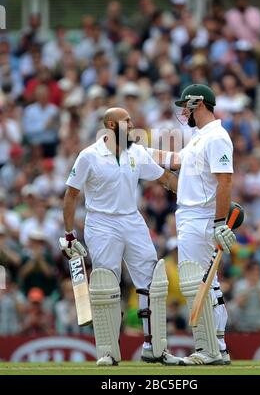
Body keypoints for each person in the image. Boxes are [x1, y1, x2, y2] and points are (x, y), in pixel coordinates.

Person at [59, 107, 183, 366]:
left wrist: (198, 197)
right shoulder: (89, 156)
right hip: (101, 223)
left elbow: (166, 179)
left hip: (132, 220)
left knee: (152, 282)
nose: (132, 123)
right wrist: (69, 235)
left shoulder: (136, 152)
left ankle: (155, 348)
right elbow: (71, 194)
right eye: (126, 120)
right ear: (111, 126)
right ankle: (108, 351)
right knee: (106, 284)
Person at [148, 84, 237, 365]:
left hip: (201, 217)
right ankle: (216, 346)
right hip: (191, 216)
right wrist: (137, 151)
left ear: (199, 103)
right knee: (207, 283)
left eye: (186, 105)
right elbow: (174, 160)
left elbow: (225, 181)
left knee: (199, 283)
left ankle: (209, 348)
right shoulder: (200, 137)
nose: (183, 111)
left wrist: (220, 223)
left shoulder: (217, 137)